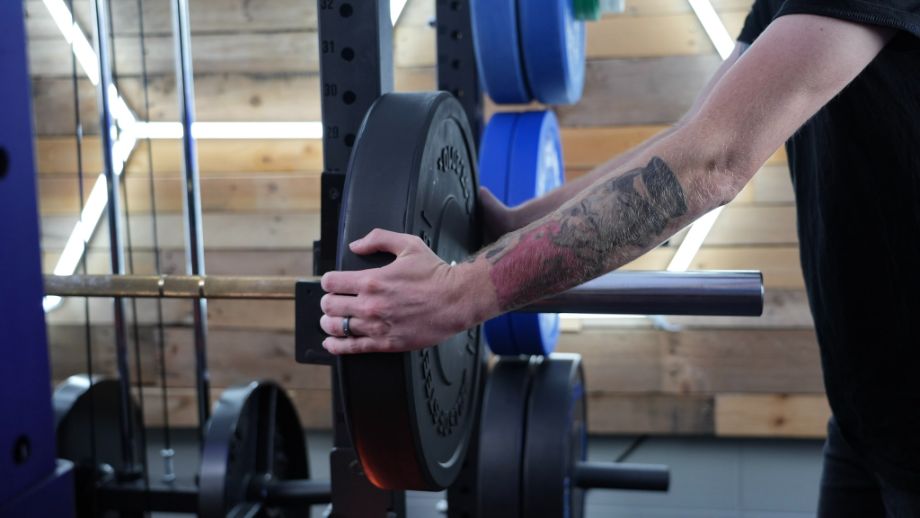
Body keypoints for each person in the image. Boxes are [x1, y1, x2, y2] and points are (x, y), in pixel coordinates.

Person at [318, 1, 920, 515]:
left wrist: (461, 294)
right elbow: (689, 135)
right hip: (868, 409)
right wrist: (511, 229)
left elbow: (712, 163)